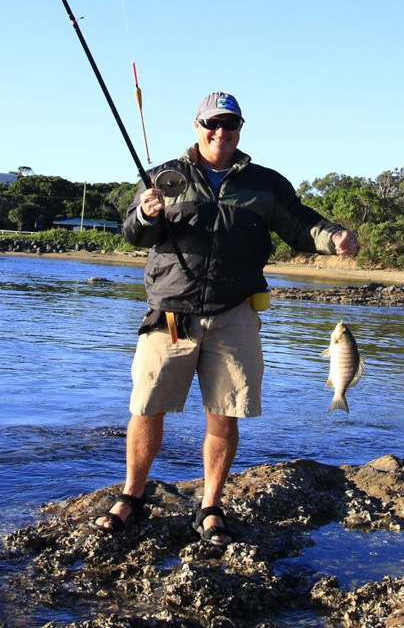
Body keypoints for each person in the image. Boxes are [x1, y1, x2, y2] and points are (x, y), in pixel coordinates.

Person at [92, 92, 358, 546]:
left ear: (239, 129)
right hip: (170, 315)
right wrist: (144, 212)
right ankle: (132, 497)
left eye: (230, 124)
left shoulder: (265, 183)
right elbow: (136, 233)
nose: (221, 131)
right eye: (212, 123)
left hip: (235, 313)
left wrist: (332, 235)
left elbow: (299, 224)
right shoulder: (163, 176)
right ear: (196, 126)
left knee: (224, 413)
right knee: (146, 407)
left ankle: (211, 506)